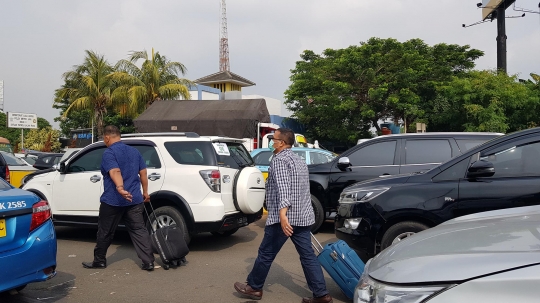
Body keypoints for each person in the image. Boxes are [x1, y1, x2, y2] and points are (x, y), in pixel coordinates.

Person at [234, 128, 333, 303]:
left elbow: (284, 188)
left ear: (282, 143)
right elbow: (302, 190)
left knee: (266, 253)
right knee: (308, 256)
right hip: (302, 216)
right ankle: (321, 294)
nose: (272, 142)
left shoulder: (279, 160)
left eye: (274, 139)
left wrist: (283, 215)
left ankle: (254, 287)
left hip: (285, 218)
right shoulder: (298, 160)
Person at [82, 125, 155, 271]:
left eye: (104, 139)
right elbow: (143, 173)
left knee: (105, 231)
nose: (104, 141)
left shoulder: (109, 153)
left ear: (107, 137)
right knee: (139, 230)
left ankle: (99, 261)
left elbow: (115, 171)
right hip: (134, 199)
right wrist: (145, 192)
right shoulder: (135, 151)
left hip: (113, 200)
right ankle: (148, 262)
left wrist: (120, 188)